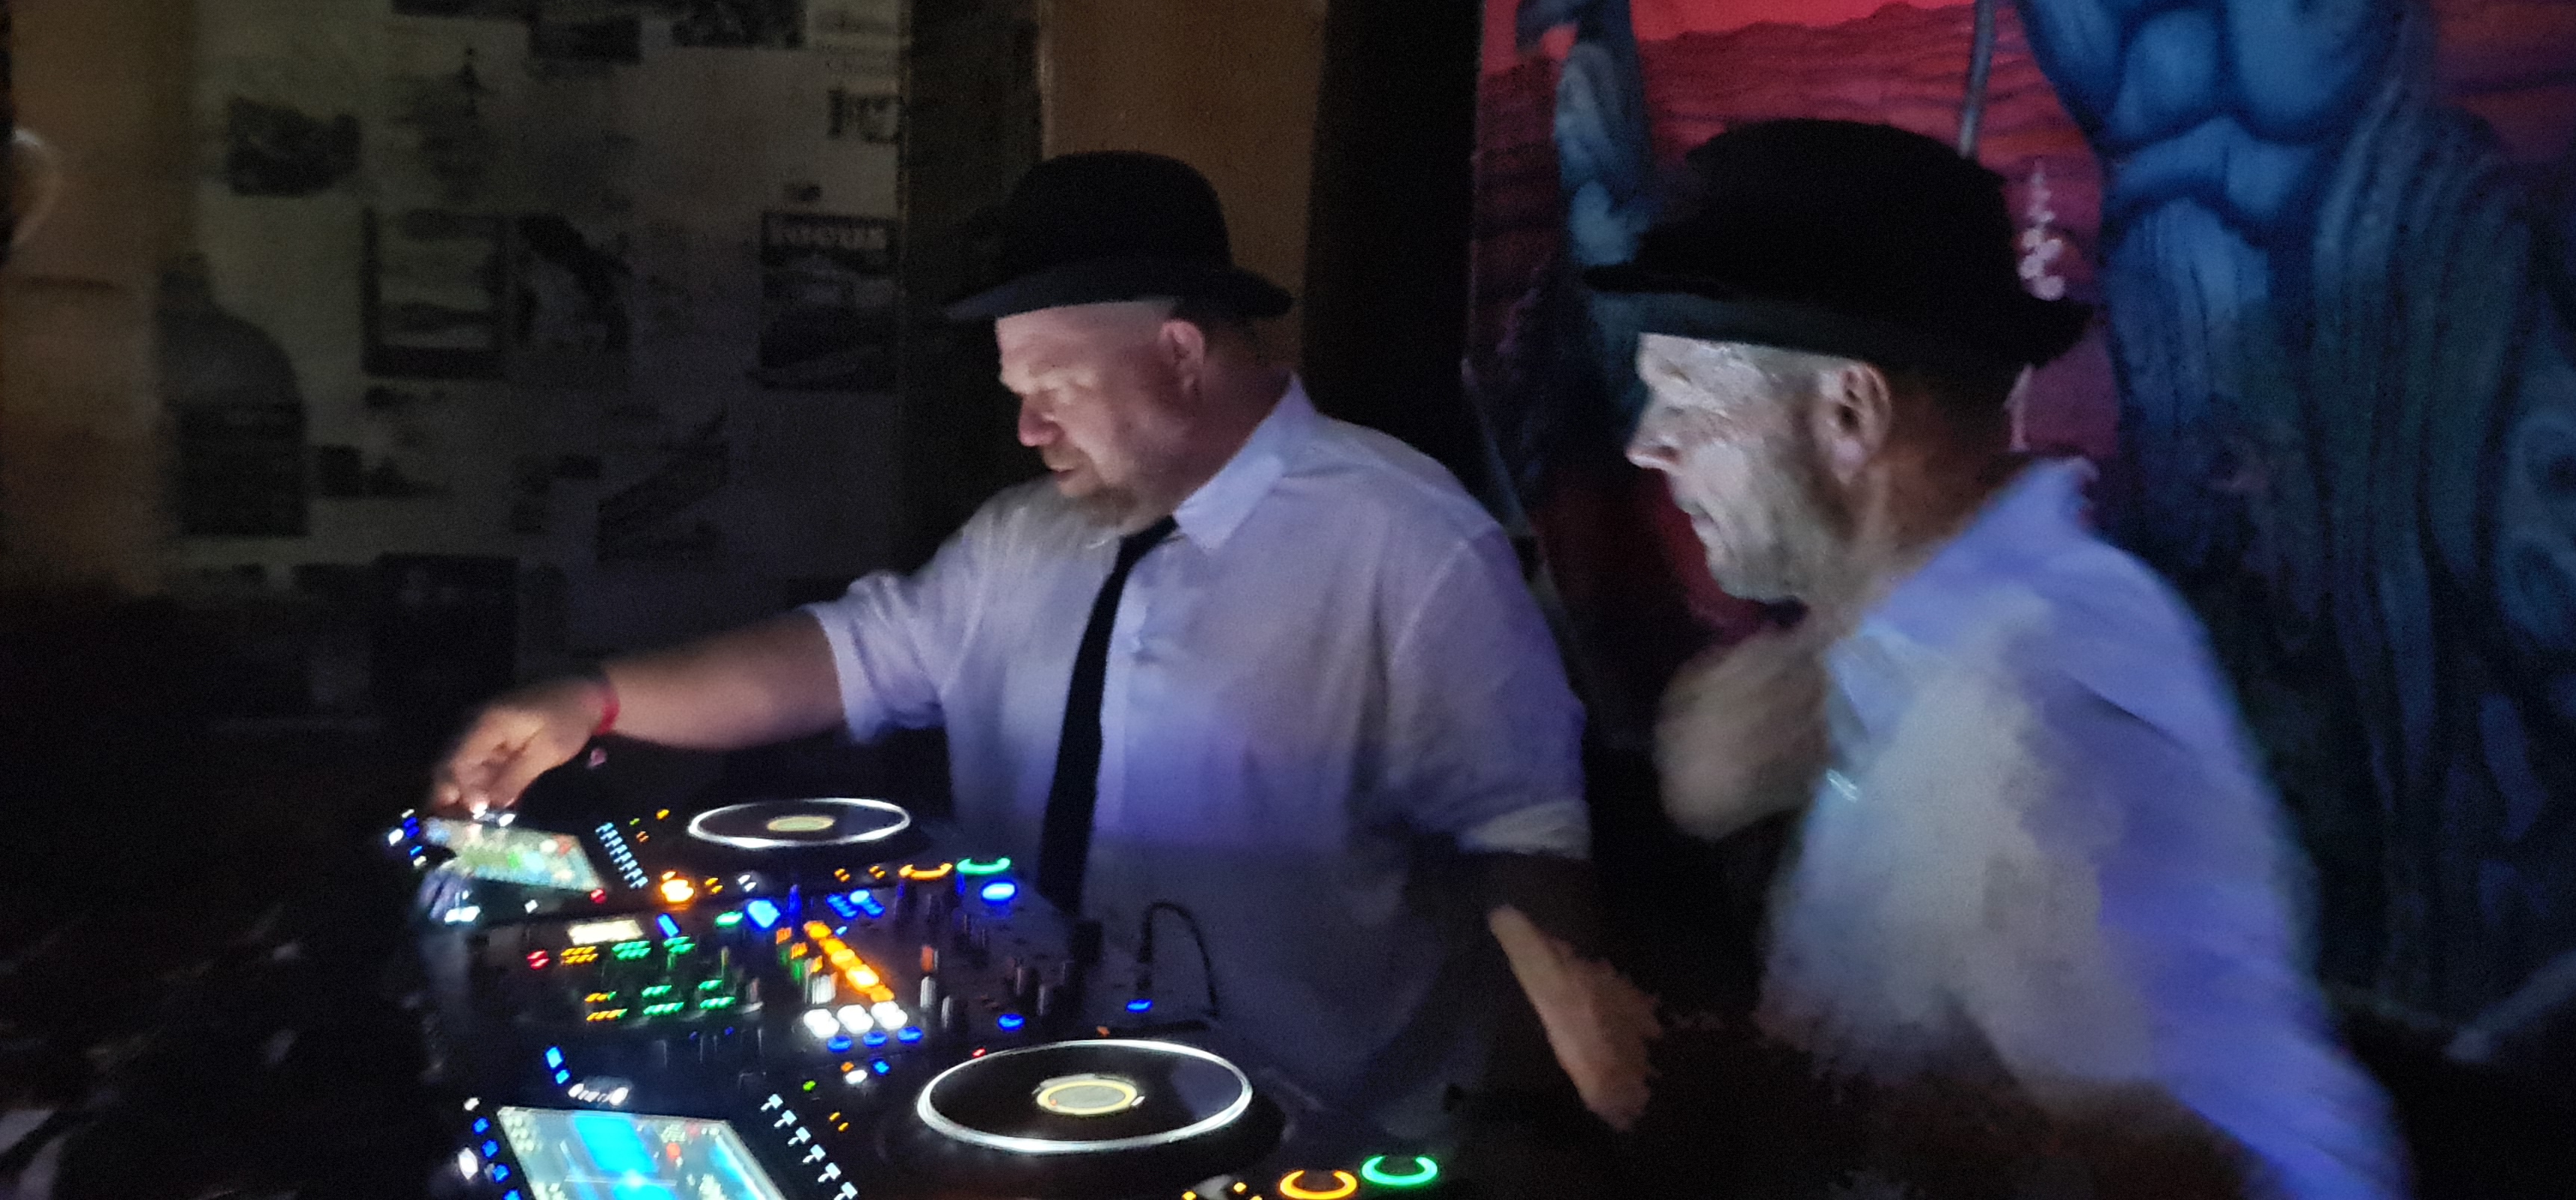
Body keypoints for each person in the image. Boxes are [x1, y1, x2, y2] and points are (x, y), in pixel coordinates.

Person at [434, 150, 1652, 1139]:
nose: (1027, 430)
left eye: (1054, 390)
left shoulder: (1410, 542)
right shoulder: (1023, 541)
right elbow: (847, 657)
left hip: (1304, 1131)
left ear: (1180, 355)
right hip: (1018, 1107)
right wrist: (592, 699)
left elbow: (1524, 835)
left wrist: (1561, 1092)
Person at [1593, 119, 2402, 1199]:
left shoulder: (2035, 712)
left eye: (1688, 399)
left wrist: (1770, 1091)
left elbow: (2241, 1169)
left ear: (1849, 412)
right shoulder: (1897, 657)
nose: (1648, 443)